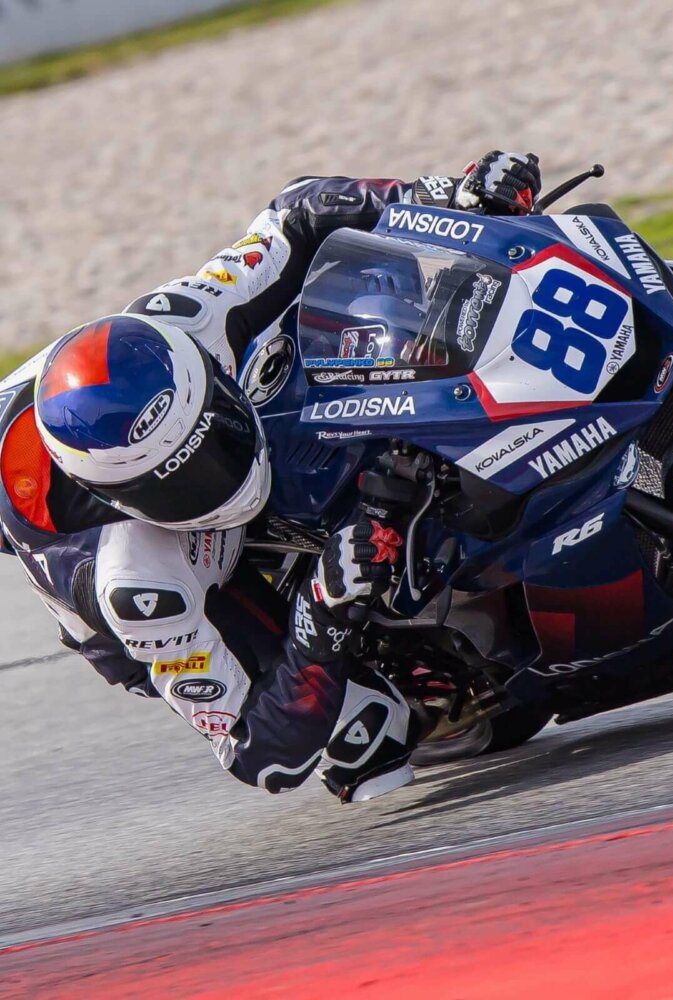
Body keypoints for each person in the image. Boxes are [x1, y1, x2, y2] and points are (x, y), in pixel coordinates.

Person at [0, 152, 542, 802]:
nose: (220, 471)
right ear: (122, 495)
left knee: (355, 294)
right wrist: (322, 615)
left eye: (215, 434)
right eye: (187, 479)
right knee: (369, 738)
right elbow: (258, 756)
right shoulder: (136, 587)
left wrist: (442, 196)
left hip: (132, 420)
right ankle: (413, 679)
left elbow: (298, 211)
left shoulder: (183, 320)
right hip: (168, 595)